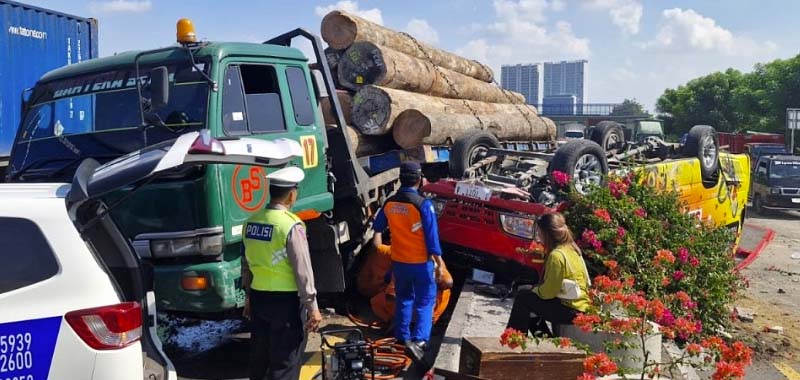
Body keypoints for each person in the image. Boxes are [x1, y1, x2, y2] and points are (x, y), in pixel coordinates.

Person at [241, 166, 323, 380]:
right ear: (292, 194)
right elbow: (303, 270)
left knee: (260, 357)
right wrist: (312, 306)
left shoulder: (251, 222)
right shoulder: (291, 225)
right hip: (285, 303)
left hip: (259, 298)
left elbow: (246, 263)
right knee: (285, 361)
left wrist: (248, 296)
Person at [372, 161, 446, 361]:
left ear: (400, 179)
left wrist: (379, 247)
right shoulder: (424, 204)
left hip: (399, 262)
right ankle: (420, 340)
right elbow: (432, 239)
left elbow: (377, 228)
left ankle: (402, 338)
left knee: (404, 298)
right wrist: (439, 263)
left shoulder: (389, 203)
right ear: (419, 180)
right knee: (425, 301)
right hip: (421, 264)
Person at [506, 212, 590, 337]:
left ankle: (513, 340)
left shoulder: (556, 256)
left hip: (570, 310)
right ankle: (543, 338)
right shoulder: (573, 249)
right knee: (529, 298)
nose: (539, 238)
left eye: (540, 233)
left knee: (523, 297)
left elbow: (548, 292)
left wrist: (535, 290)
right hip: (580, 307)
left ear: (547, 234)